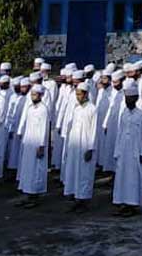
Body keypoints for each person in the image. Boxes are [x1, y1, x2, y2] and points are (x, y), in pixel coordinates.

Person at [112, 80, 142, 215]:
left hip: (135, 151)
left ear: (136, 99)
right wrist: (117, 151)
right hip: (123, 150)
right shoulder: (124, 114)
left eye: (130, 98)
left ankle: (132, 204)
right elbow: (119, 133)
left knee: (133, 177)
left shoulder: (141, 115)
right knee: (122, 177)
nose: (128, 101)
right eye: (126, 98)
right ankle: (122, 202)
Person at [62, 83, 97, 212]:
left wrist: (90, 148)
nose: (78, 97)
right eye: (76, 94)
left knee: (84, 174)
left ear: (86, 94)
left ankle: (84, 201)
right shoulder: (76, 109)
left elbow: (93, 130)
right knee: (74, 173)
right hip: (74, 146)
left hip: (85, 147)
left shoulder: (92, 109)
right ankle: (76, 199)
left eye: (80, 94)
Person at [15, 84, 50, 207]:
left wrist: (41, 146)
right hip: (28, 142)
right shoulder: (30, 108)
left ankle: (35, 196)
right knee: (27, 169)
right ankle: (28, 194)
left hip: (37, 144)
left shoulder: (43, 109)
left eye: (35, 94)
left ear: (40, 95)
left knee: (36, 170)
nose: (33, 97)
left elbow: (44, 129)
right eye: (32, 94)